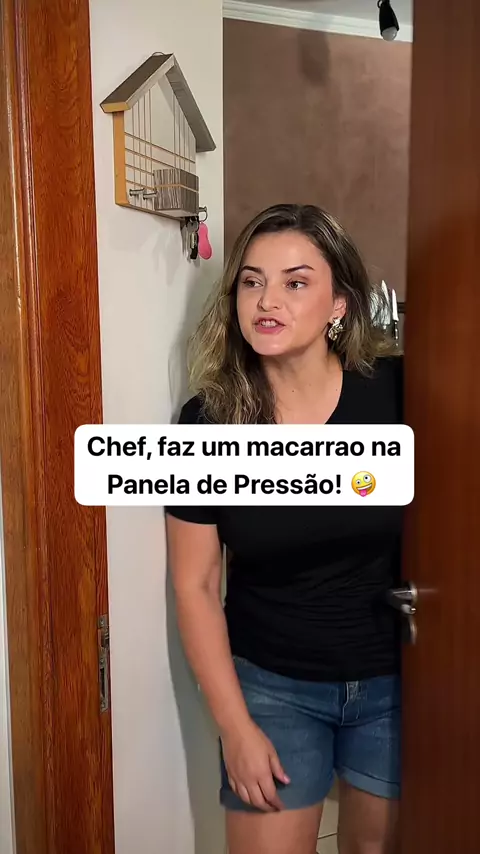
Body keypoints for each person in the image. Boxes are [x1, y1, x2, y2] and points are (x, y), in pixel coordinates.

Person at [165, 204, 403, 854]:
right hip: (272, 686)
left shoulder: (395, 395)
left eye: (296, 282)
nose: (267, 300)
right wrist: (234, 728)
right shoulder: (208, 421)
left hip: (395, 681)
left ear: (339, 305)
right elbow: (194, 584)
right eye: (252, 281)